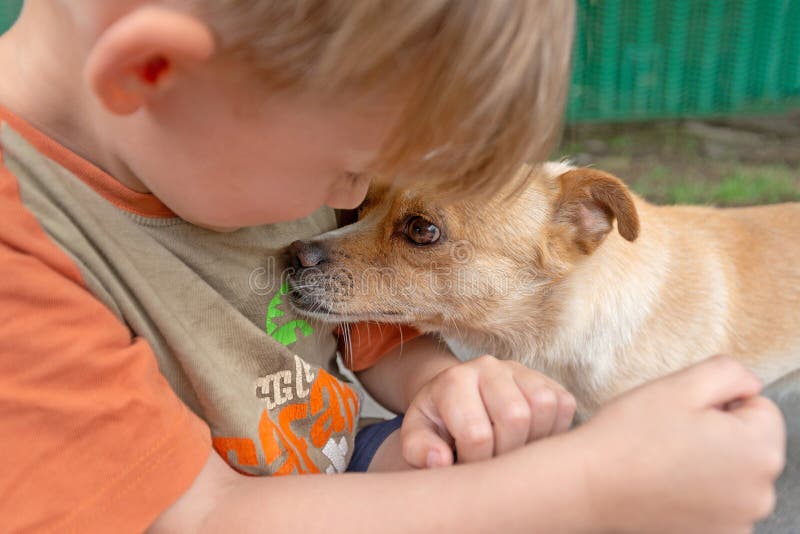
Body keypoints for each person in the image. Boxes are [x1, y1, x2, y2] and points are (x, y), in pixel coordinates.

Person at [0, 1, 785, 533]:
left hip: (356, 465)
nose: (349, 202)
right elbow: (203, 517)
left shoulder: (233, 131)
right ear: (155, 73)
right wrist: (591, 486)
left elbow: (373, 341)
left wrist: (439, 384)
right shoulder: (21, 251)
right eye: (353, 171)